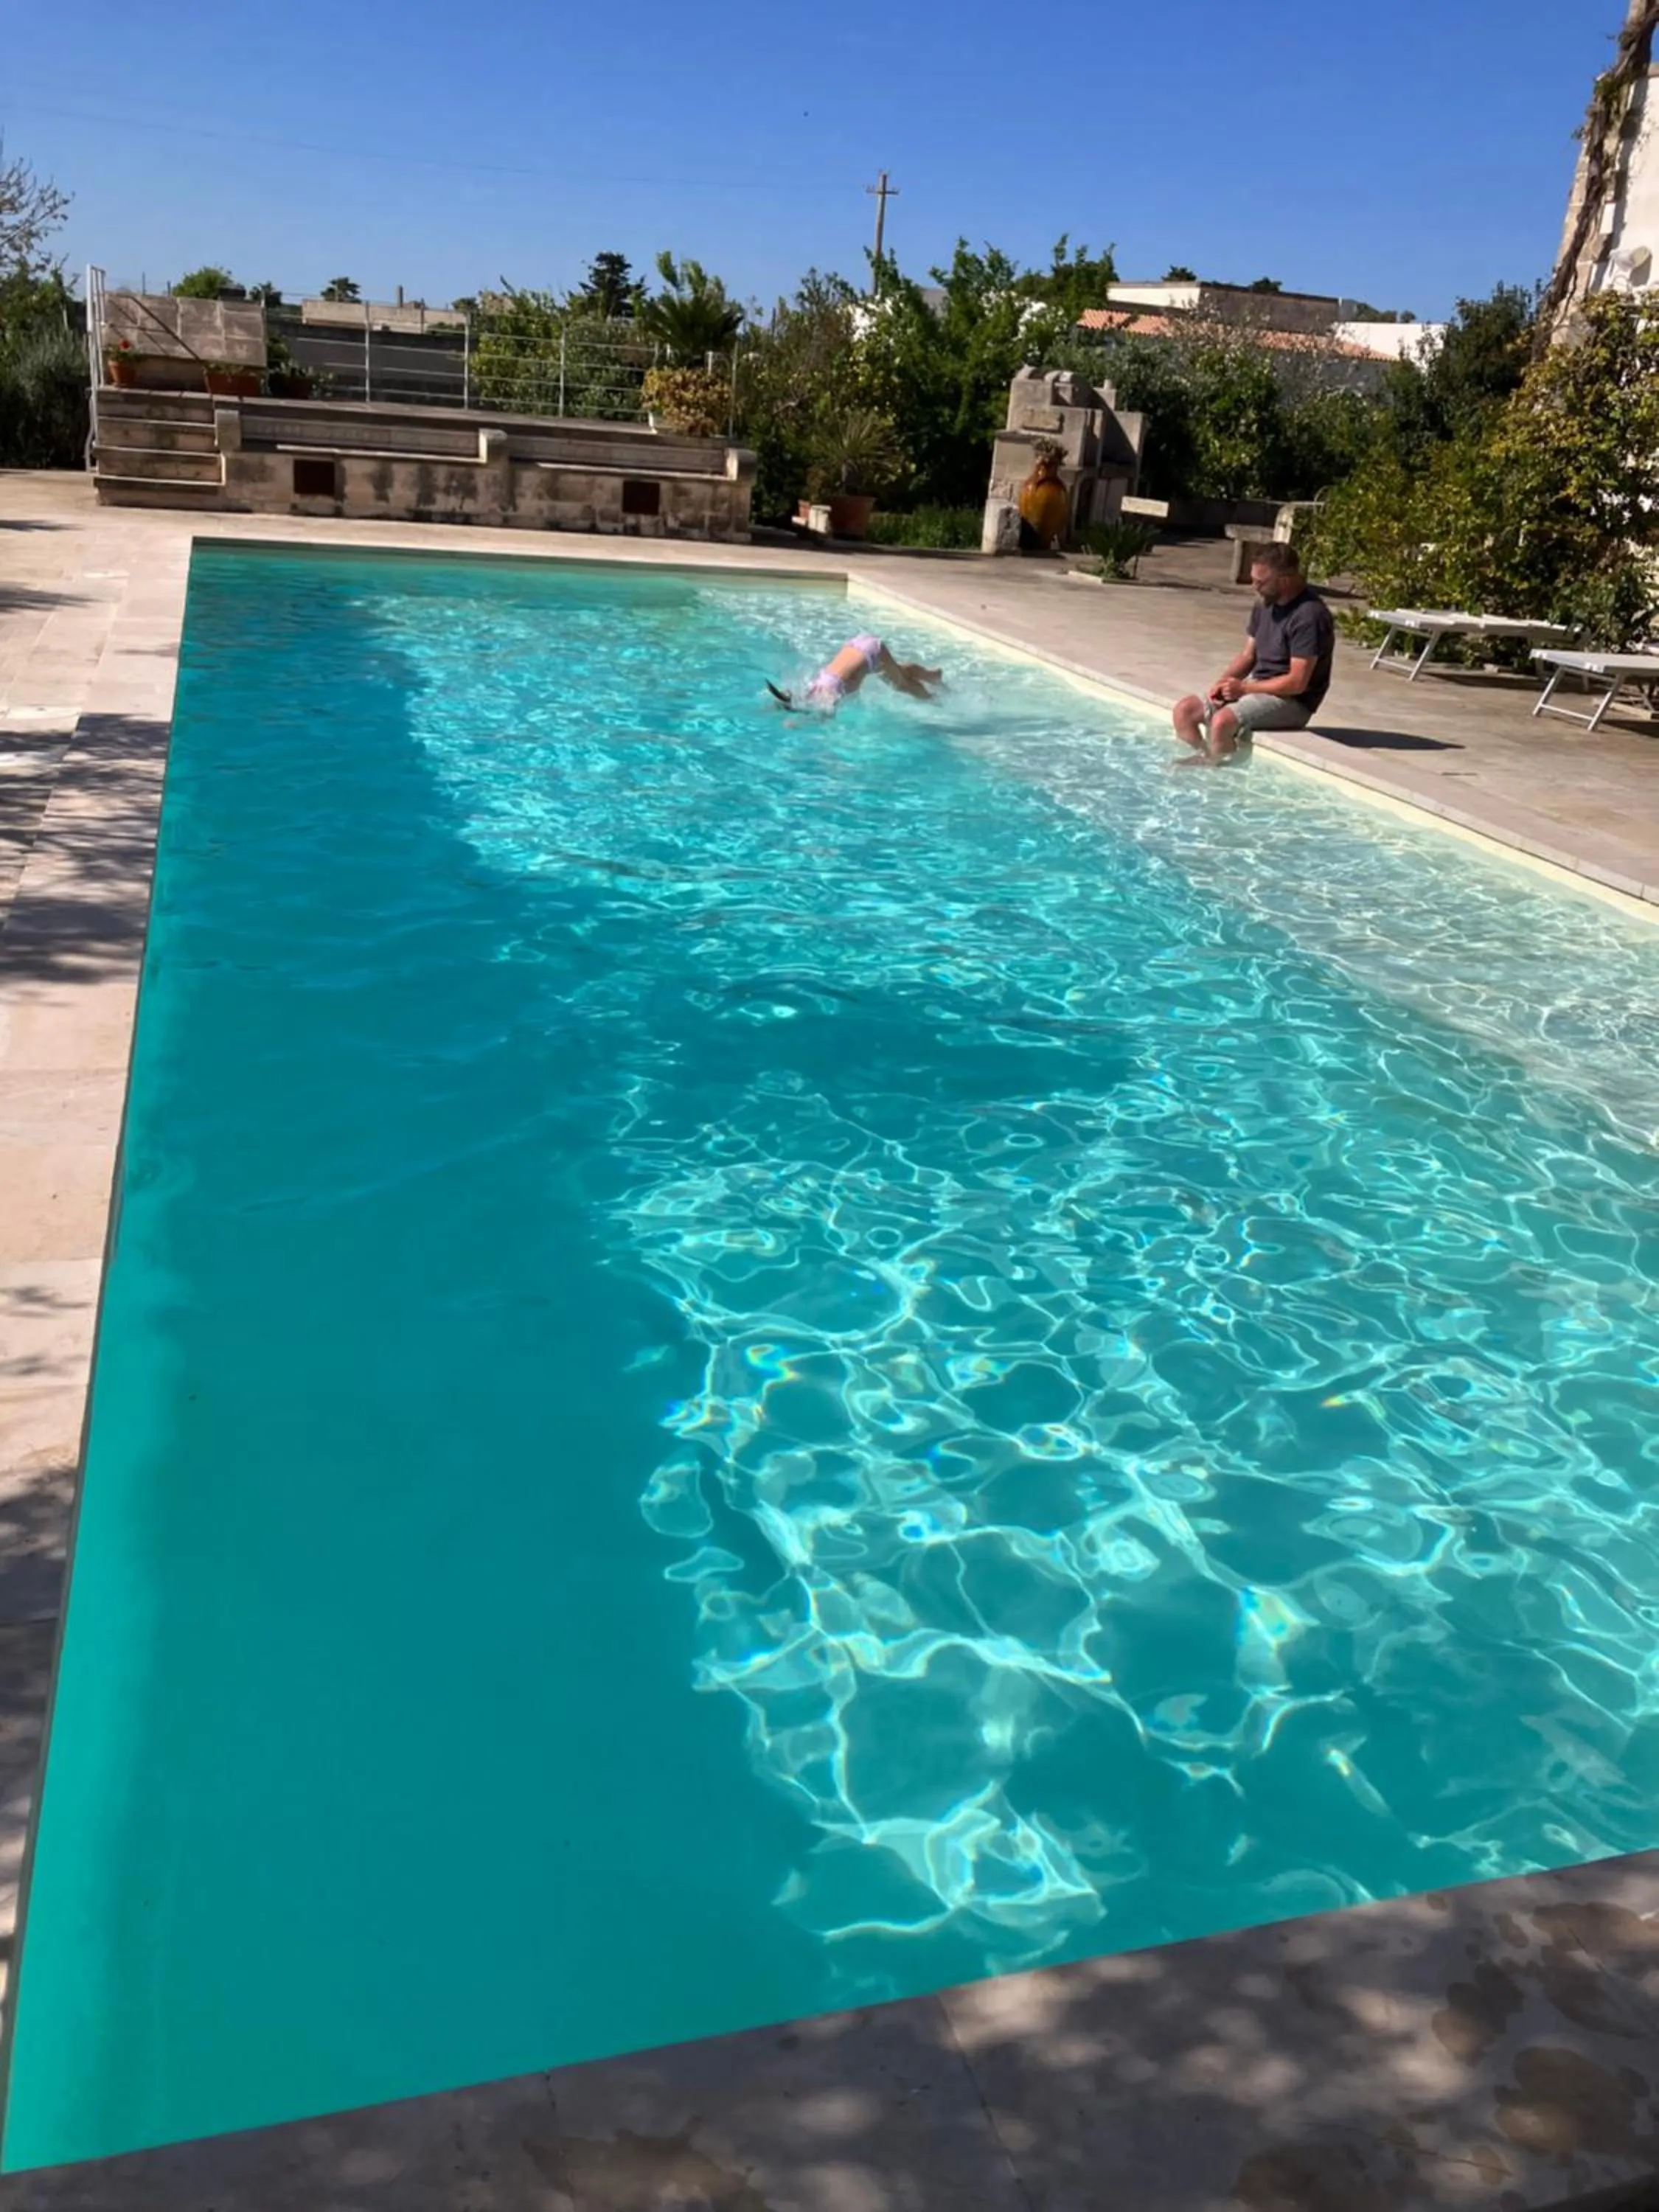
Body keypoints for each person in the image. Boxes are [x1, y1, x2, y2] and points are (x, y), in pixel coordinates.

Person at [1172, 544, 1335, 766]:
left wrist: (1245, 689)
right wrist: (1222, 683)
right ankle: (1210, 758)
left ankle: (1221, 776)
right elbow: (1248, 656)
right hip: (1258, 686)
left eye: (1261, 582)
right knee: (1185, 711)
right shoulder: (1265, 604)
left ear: (1285, 581)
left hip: (1293, 701)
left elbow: (1297, 683)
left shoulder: (1309, 616)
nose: (1254, 586)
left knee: (1222, 723)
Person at [767, 633, 943, 713]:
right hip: (858, 645)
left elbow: (828, 715)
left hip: (871, 652)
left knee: (900, 685)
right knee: (892, 673)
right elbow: (793, 696)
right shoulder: (814, 687)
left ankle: (934, 700)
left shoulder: (826, 693)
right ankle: (932, 675)